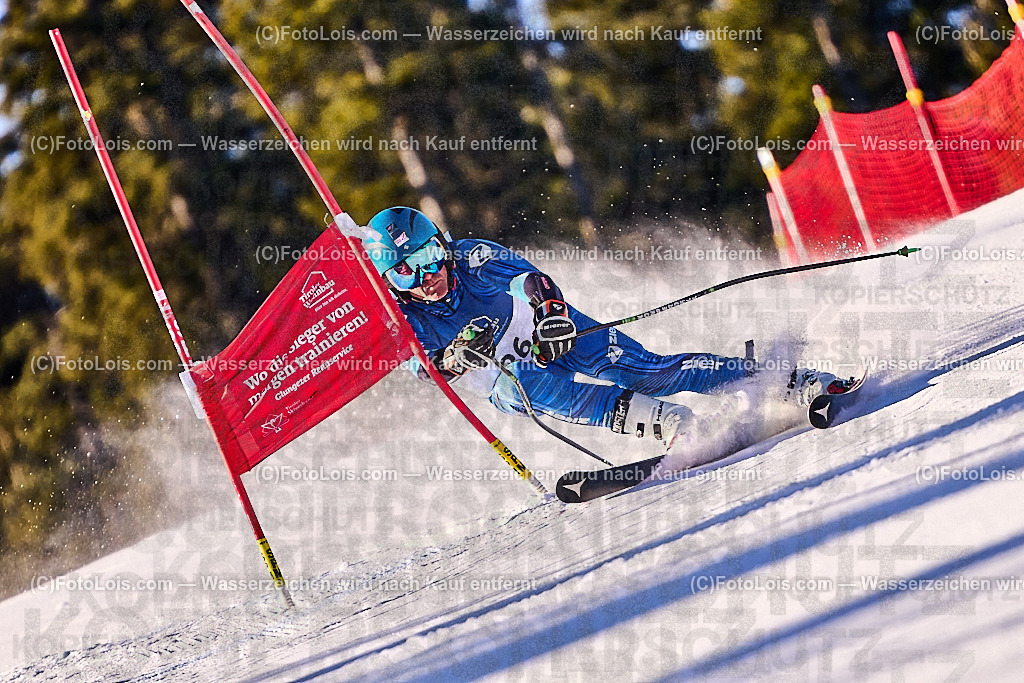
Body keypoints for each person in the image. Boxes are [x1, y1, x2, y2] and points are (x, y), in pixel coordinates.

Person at [360, 207, 838, 448]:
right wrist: (452, 357)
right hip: (506, 374)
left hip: (549, 330)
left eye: (426, 259)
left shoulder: (471, 257)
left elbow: (530, 279)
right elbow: (423, 370)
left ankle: (785, 381)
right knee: (535, 390)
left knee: (645, 370)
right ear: (389, 281)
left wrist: (550, 314)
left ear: (441, 248)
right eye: (405, 271)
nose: (426, 278)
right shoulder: (403, 317)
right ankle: (671, 423)